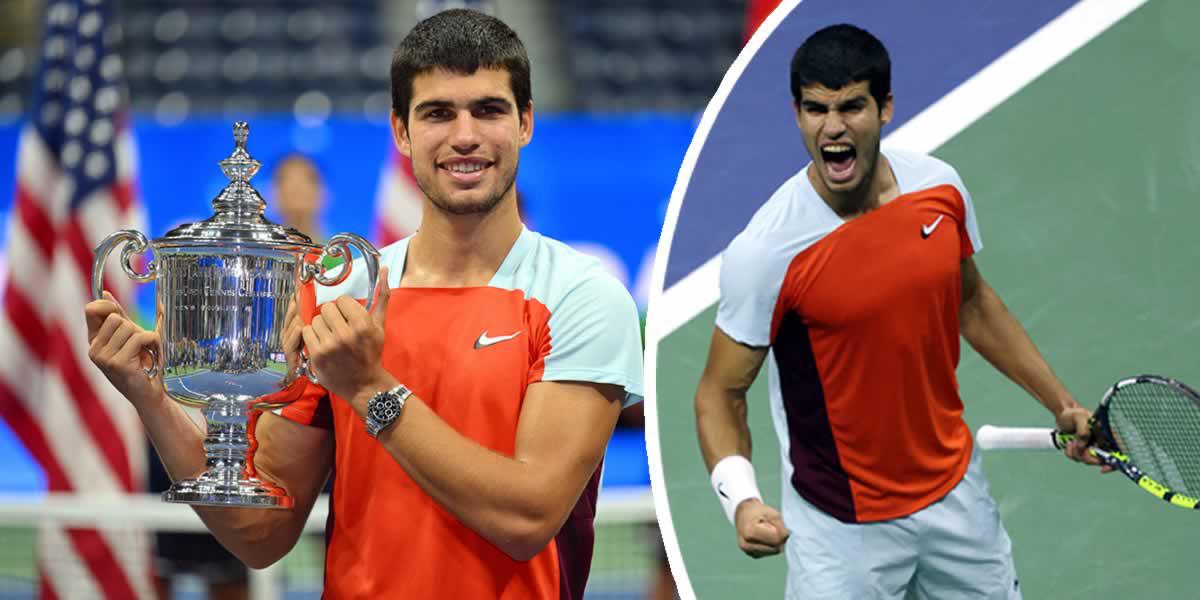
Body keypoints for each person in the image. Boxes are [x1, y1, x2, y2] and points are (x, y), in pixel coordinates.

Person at [85, 9, 643, 599]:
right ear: (401, 131)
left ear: (525, 122)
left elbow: (527, 518)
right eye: (437, 113)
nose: (465, 135)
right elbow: (261, 533)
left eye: (488, 109)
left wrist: (371, 389)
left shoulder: (581, 294)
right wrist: (151, 398)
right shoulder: (338, 293)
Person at [693, 24, 1102, 599]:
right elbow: (718, 392)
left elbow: (973, 302)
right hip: (839, 531)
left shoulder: (939, 191)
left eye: (851, 107)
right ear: (797, 114)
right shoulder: (766, 251)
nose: (833, 127)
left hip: (956, 500)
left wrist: (1061, 403)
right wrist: (740, 499)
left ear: (884, 108)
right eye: (816, 109)